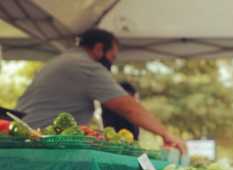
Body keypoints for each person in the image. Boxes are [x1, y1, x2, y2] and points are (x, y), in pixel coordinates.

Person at [16, 28, 185, 153]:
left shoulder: (65, 60)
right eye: (112, 57)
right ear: (98, 49)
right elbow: (127, 107)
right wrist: (166, 134)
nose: (111, 64)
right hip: (42, 144)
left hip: (24, 138)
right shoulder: (86, 66)